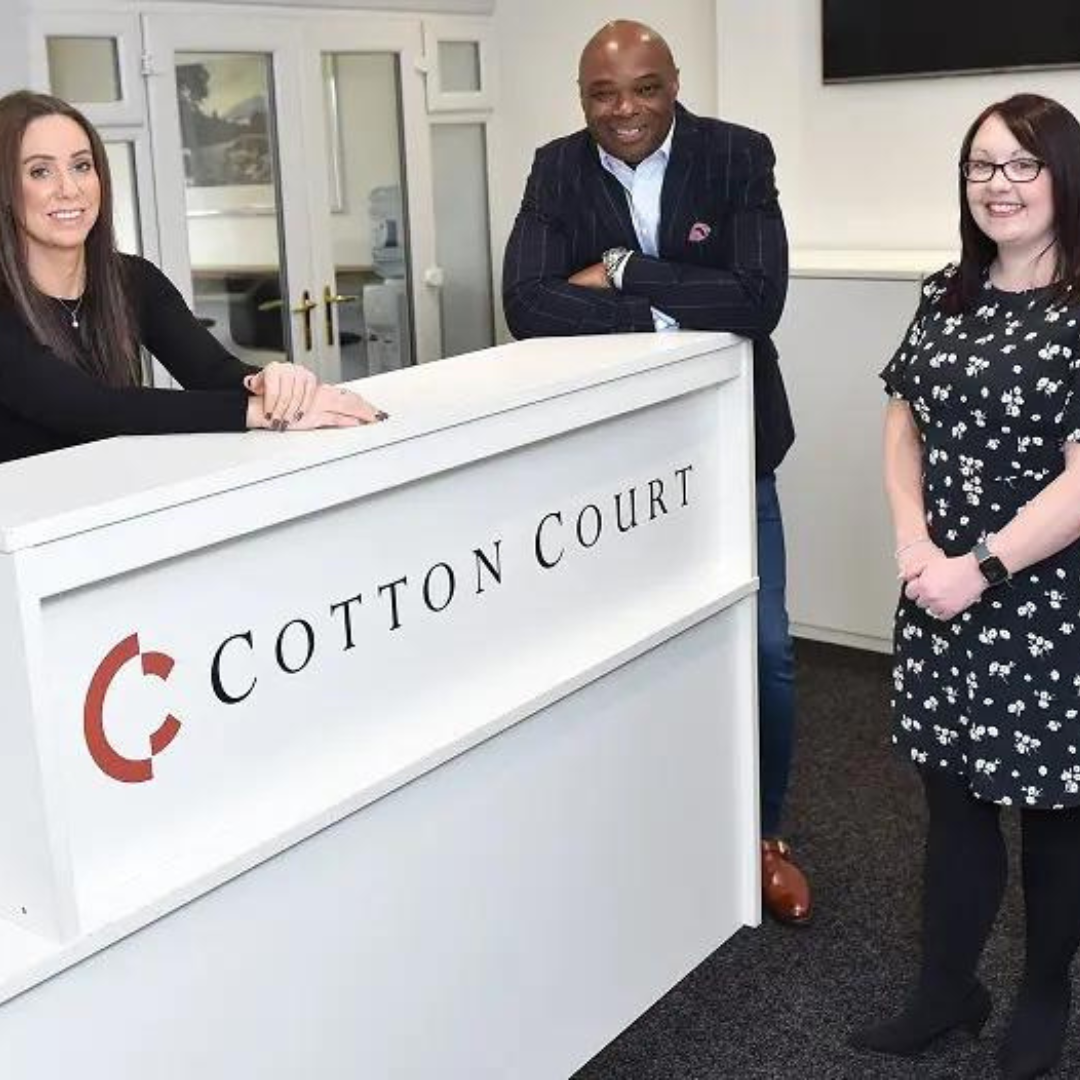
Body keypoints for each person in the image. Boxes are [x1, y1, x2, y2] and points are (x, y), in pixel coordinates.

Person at [502, 20, 809, 925]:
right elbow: (525, 302)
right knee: (636, 652)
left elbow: (760, 299)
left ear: (673, 83)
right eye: (603, 93)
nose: (624, 110)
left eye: (644, 88)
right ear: (582, 97)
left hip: (731, 448)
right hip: (616, 468)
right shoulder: (556, 168)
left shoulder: (737, 155)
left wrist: (622, 269)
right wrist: (665, 312)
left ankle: (763, 835)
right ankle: (656, 825)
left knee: (766, 650)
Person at [850, 94, 1080, 1079]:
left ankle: (1044, 997)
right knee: (952, 806)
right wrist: (915, 542)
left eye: (1024, 165)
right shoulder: (947, 291)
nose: (1000, 184)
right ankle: (947, 989)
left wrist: (978, 567)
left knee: (1055, 818)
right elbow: (903, 418)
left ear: (1064, 177)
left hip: (1044, 603)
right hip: (941, 593)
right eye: (982, 165)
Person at [0, 90, 384, 467]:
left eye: (82, 166)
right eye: (40, 171)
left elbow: (212, 373)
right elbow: (89, 408)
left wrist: (271, 384)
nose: (69, 189)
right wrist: (258, 412)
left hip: (119, 497)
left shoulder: (134, 279)